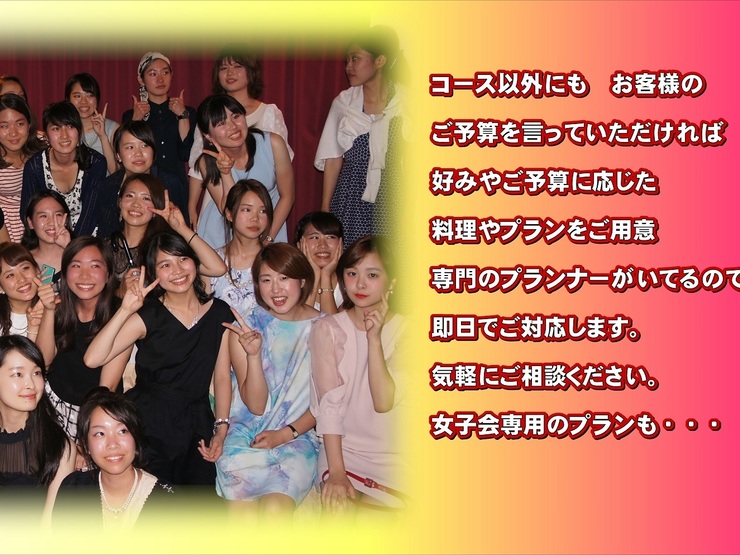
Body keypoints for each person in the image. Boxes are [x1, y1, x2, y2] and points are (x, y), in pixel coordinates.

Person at [84, 231, 232, 486]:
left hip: (195, 421)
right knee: (151, 499)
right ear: (154, 273)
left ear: (195, 262)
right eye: (165, 265)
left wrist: (221, 429)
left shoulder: (220, 312)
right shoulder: (149, 314)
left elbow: (221, 377)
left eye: (182, 259)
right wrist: (126, 309)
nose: (177, 271)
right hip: (149, 420)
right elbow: (92, 359)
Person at [218, 243, 319, 518]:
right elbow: (256, 406)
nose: (276, 289)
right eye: (266, 280)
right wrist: (254, 356)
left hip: (296, 437)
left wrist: (286, 434)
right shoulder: (245, 328)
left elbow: (329, 401)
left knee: (275, 513)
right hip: (246, 437)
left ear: (302, 281)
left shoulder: (325, 328)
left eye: (284, 278)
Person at [309, 236, 407, 513]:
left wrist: (374, 340)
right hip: (342, 453)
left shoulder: (410, 331)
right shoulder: (327, 329)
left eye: (372, 275)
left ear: (392, 282)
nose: (360, 284)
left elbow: (384, 402)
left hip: (395, 457)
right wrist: (337, 473)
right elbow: (329, 407)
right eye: (352, 274)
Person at [315, 26, 408, 247]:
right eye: (347, 60)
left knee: (392, 257)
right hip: (351, 195)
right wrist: (326, 209)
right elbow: (333, 157)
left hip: (394, 194)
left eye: (355, 59)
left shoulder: (406, 101)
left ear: (380, 61)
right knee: (352, 256)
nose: (348, 66)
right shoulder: (344, 103)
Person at [188, 50, 294, 229]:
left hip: (263, 213)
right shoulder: (209, 114)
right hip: (221, 200)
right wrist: (192, 206)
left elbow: (283, 175)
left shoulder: (269, 115)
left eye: (237, 66)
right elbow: (199, 165)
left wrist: (268, 236)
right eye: (224, 68)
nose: (230, 73)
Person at [35, 237, 128, 441]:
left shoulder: (121, 315)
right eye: (76, 266)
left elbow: (108, 387)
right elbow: (43, 362)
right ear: (65, 273)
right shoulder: (61, 307)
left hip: (91, 411)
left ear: (108, 274)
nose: (85, 275)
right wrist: (49, 311)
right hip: (52, 400)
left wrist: (85, 440)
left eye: (95, 266)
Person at [53, 387, 174, 530]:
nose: (112, 444)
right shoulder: (72, 489)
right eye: (100, 433)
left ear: (135, 437)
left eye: (122, 431)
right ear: (86, 445)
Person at [192, 95, 293, 249]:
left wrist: (267, 239)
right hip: (224, 234)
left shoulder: (273, 143)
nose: (232, 126)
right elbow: (229, 209)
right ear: (208, 136)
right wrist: (225, 173)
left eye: (236, 116)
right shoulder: (207, 162)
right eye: (221, 123)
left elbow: (287, 196)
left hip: (269, 227)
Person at [0, 336, 75, 523]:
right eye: (18, 374)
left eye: (37, 373)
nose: (31, 384)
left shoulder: (59, 447)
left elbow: (48, 527)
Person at [20, 101, 107, 238]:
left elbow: (91, 214)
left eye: (70, 127)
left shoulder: (96, 163)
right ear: (46, 135)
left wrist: (70, 246)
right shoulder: (34, 166)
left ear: (79, 130)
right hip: (47, 237)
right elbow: (27, 213)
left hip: (87, 239)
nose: (64, 135)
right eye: (56, 128)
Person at [97, 121, 189, 239]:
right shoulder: (108, 186)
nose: (138, 153)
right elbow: (104, 233)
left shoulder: (170, 183)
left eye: (145, 146)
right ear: (118, 155)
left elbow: (182, 233)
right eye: (130, 147)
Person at [122, 52, 196, 192]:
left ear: (171, 75)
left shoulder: (187, 112)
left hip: (177, 187)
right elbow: (126, 156)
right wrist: (136, 121)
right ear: (141, 79)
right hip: (143, 188)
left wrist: (182, 116)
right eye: (153, 74)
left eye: (165, 72)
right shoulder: (130, 116)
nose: (160, 79)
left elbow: (185, 154)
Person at [209, 179, 273, 319]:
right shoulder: (212, 260)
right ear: (229, 214)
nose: (255, 218)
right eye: (247, 210)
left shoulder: (275, 260)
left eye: (263, 211)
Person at [0, 94, 44, 242]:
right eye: (4, 126)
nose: (13, 133)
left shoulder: (42, 144)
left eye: (19, 124)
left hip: (37, 219)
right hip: (3, 225)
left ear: (29, 124)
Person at [65, 73, 119, 174]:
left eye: (90, 95)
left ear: (97, 99)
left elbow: (115, 173)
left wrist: (103, 136)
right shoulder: (63, 131)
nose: (84, 101)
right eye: (77, 96)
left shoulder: (113, 129)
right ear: (68, 100)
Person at [295, 211, 344, 314]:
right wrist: (314, 274)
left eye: (330, 237)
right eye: (314, 237)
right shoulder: (290, 282)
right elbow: (302, 323)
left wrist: (326, 275)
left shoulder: (351, 281)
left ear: (341, 243)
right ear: (299, 245)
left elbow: (331, 324)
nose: (322, 245)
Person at [21, 190, 72, 284]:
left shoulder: (80, 255)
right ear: (30, 222)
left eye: (58, 215)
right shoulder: (22, 261)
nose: (52, 222)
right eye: (43, 216)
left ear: (66, 219)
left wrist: (70, 248)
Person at [0, 242, 48, 339]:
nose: (21, 279)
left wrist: (49, 311)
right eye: (10, 275)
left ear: (37, 270)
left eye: (25, 268)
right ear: (0, 287)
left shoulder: (52, 308)